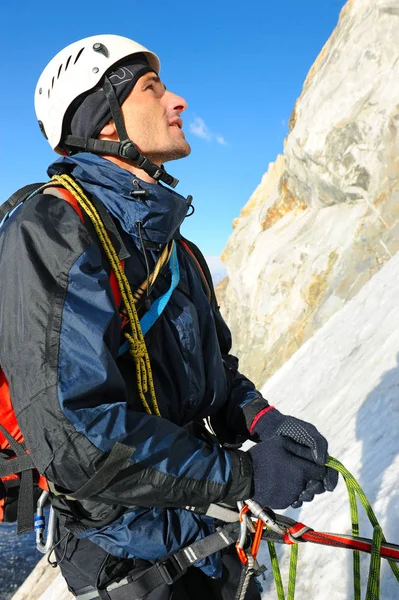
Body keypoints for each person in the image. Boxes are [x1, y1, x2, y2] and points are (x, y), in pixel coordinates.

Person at [0, 34, 338, 599]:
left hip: (205, 526)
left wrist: (262, 420)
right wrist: (248, 476)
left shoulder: (176, 249)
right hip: (130, 556)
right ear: (105, 122)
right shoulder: (51, 232)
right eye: (152, 89)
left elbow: (215, 371)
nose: (177, 101)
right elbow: (79, 439)